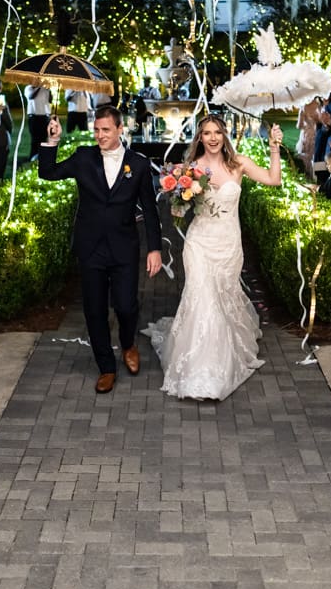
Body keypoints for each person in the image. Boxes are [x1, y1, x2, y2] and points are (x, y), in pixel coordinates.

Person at [144, 116, 281, 401]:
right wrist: (180, 197)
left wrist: (274, 148)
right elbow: (178, 213)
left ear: (225, 134)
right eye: (207, 133)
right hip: (199, 244)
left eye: (217, 132)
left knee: (222, 297)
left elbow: (273, 179)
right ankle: (203, 372)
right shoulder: (190, 169)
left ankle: (223, 353)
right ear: (200, 138)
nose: (213, 137)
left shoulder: (238, 164)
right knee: (202, 299)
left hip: (228, 245)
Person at [38, 106, 163, 393]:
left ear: (121, 129)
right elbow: (48, 172)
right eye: (96, 130)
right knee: (94, 310)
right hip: (91, 247)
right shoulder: (84, 158)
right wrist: (52, 142)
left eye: (106, 130)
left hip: (124, 247)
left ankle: (129, 344)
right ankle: (106, 366)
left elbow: (151, 211)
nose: (100, 135)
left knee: (126, 305)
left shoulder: (139, 164)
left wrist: (154, 248)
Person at [25, 83, 53, 161]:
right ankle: (32, 158)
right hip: (34, 117)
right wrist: (39, 87)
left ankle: (42, 158)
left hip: (45, 117)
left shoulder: (45, 89)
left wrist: (49, 90)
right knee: (35, 140)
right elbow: (31, 96)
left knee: (44, 139)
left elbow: (50, 100)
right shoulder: (29, 88)